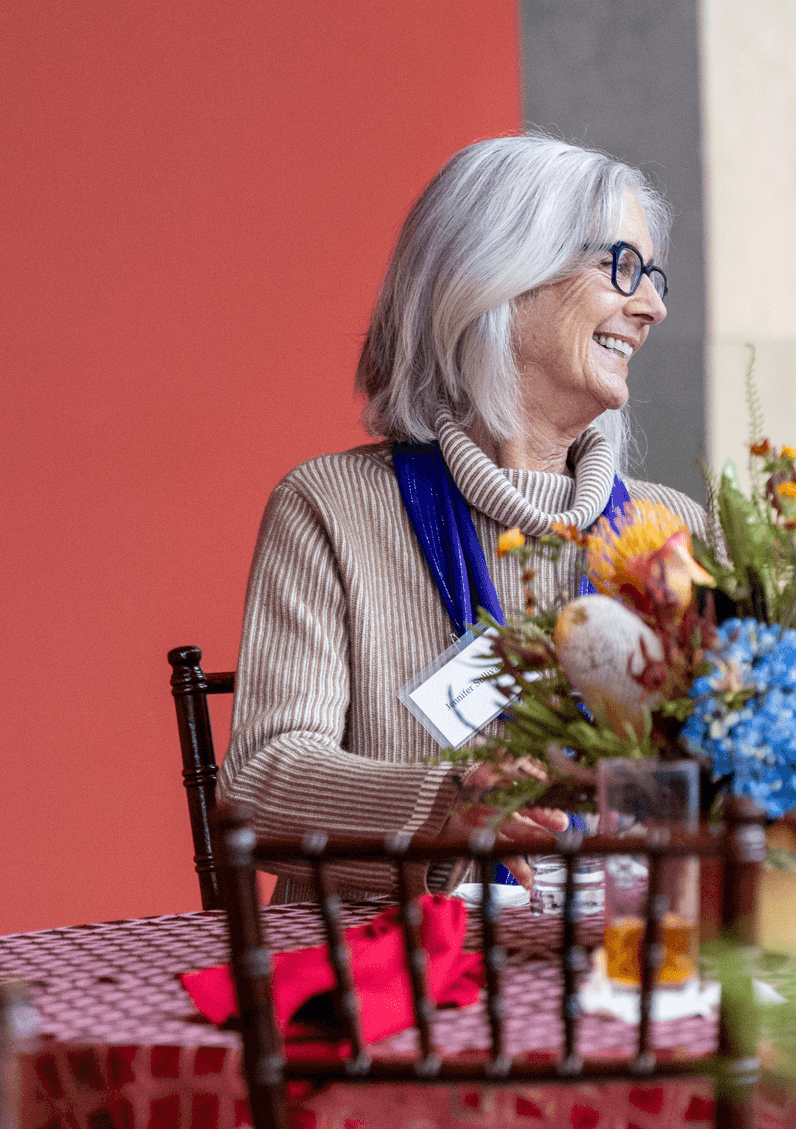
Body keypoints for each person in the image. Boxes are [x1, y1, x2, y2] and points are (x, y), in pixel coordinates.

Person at [220, 134, 712, 899]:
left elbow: (721, 776)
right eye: (621, 268)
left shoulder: (670, 529)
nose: (652, 306)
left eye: (652, 275)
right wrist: (445, 807)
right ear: (500, 276)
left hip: (619, 968)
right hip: (395, 981)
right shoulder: (332, 508)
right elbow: (262, 779)